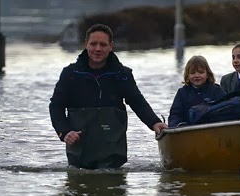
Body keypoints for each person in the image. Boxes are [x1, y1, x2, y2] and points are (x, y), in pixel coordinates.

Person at [49, 23, 167, 169]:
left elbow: (137, 101)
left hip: (113, 155)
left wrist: (154, 122)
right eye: (93, 44)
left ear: (111, 46)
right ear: (86, 44)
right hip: (79, 155)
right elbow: (56, 106)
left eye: (103, 45)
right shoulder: (70, 74)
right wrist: (64, 132)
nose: (98, 49)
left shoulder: (122, 74)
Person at [169, 55, 226, 127]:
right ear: (188, 75)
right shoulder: (182, 93)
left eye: (201, 72)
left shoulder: (217, 90)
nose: (196, 75)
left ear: (207, 74)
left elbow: (225, 111)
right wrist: (174, 127)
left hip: (212, 129)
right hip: (187, 130)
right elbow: (175, 115)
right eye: (193, 73)